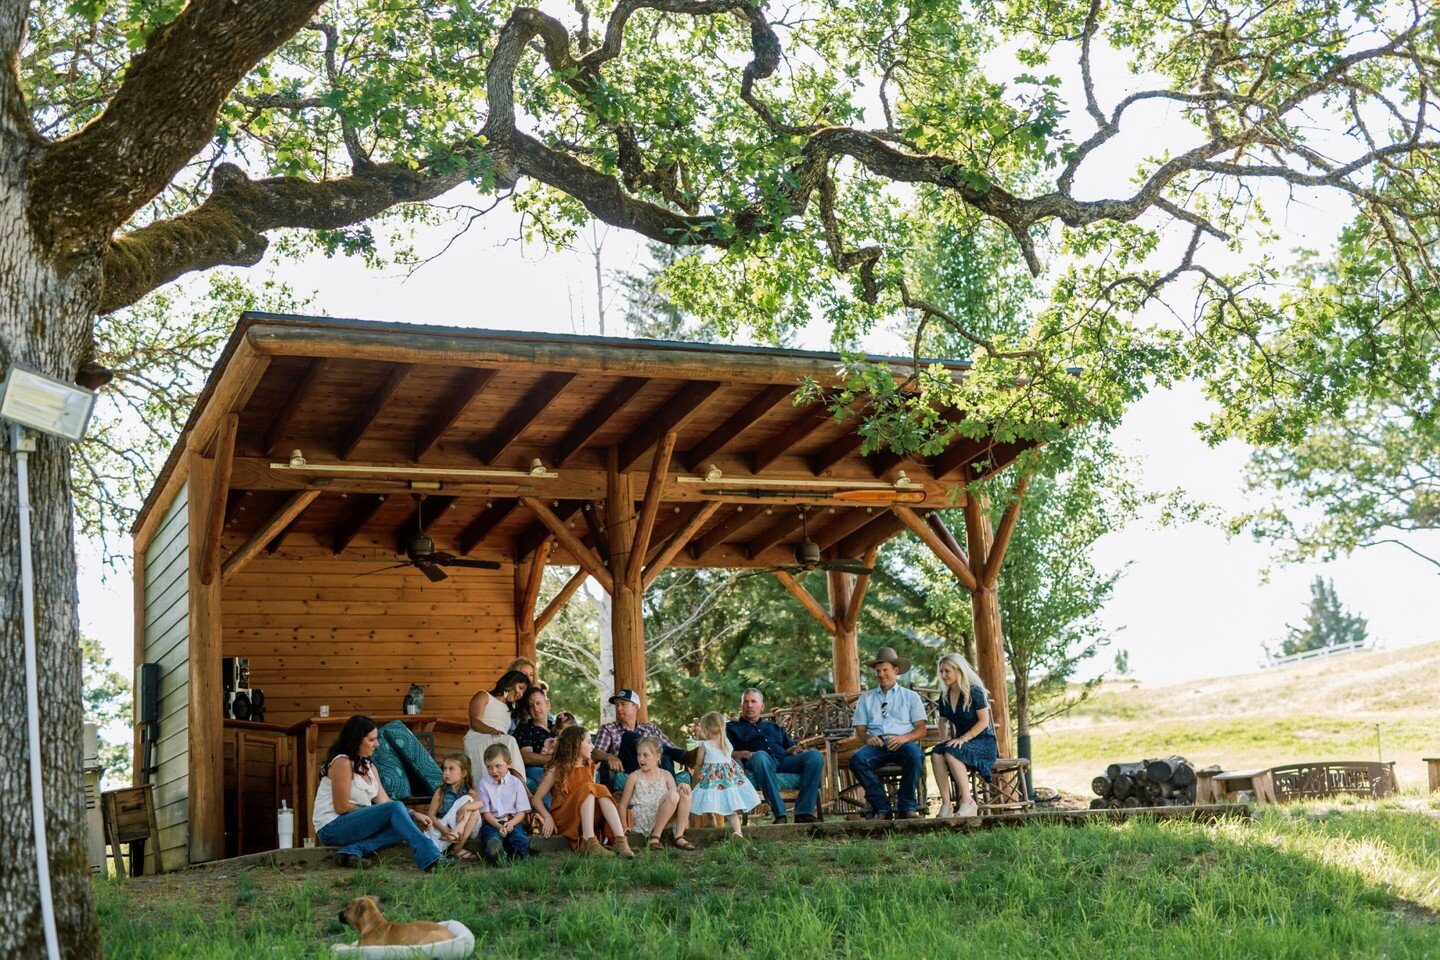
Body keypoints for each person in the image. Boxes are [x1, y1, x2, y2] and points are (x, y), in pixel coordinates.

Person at [312, 715, 441, 870]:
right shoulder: (342, 762)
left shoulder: (369, 767)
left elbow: (385, 802)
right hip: (331, 827)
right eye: (372, 740)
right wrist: (379, 815)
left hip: (355, 823)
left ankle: (352, 851)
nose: (377, 744)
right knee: (396, 812)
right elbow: (341, 806)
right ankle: (431, 857)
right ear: (357, 739)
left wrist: (414, 814)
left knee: (407, 822)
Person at [847, 647, 928, 820]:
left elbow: (921, 729)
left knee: (915, 755)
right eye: (878, 671)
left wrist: (904, 738)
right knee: (857, 760)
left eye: (885, 670)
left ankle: (907, 808)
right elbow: (859, 730)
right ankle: (883, 808)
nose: (881, 674)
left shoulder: (910, 697)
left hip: (903, 743)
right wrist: (869, 738)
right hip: (878, 745)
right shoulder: (866, 698)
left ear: (896, 671)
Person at [531, 726, 634, 858]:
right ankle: (589, 841)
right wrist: (547, 817)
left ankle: (620, 840)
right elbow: (536, 799)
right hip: (565, 818)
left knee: (600, 788)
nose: (593, 746)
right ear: (576, 745)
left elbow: (591, 800)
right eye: (589, 742)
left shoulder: (589, 766)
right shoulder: (556, 770)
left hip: (584, 820)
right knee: (589, 787)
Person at [726, 687, 825, 824]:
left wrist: (795, 749)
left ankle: (803, 813)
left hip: (783, 761)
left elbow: (790, 746)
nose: (749, 705)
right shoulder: (731, 728)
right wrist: (744, 753)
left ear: (762, 706)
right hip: (757, 762)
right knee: (761, 756)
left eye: (753, 701)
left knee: (815, 756)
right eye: (745, 702)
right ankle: (780, 814)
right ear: (741, 705)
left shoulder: (773, 727)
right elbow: (726, 753)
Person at [930, 652, 998, 819]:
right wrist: (943, 739)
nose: (943, 675)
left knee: (951, 752)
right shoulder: (945, 694)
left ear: (958, 670)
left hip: (982, 741)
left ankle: (968, 802)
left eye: (947, 671)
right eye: (941, 671)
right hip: (961, 742)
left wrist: (962, 739)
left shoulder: (974, 690)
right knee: (937, 752)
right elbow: (942, 720)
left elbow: (983, 721)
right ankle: (947, 805)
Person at [592, 689, 699, 792]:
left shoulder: (650, 728)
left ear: (636, 707)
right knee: (629, 736)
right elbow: (594, 753)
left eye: (623, 704)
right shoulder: (608, 728)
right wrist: (609, 756)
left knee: (664, 756)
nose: (618, 708)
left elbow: (670, 748)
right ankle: (683, 756)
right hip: (628, 767)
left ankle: (668, 793)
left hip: (654, 769)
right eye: (617, 705)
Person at [688, 711, 760, 840]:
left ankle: (711, 818)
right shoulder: (726, 742)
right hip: (728, 781)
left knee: (708, 798)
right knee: (730, 807)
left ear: (705, 729)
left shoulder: (705, 745)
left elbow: (699, 762)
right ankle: (737, 831)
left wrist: (700, 744)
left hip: (712, 780)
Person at [617, 737, 695, 850]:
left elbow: (676, 798)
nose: (641, 759)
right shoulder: (634, 776)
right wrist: (624, 826)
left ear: (657, 757)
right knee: (673, 795)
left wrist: (682, 786)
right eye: (638, 755)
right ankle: (655, 836)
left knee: (684, 793)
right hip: (645, 818)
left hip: (665, 815)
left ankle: (679, 836)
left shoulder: (666, 775)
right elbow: (623, 804)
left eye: (645, 755)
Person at [465, 670, 530, 785]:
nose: (520, 694)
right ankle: (523, 789)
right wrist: (492, 730)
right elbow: (474, 722)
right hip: (478, 737)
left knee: (506, 745)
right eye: (520, 688)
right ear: (511, 681)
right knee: (510, 740)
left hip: (497, 740)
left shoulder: (508, 710)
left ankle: (510, 787)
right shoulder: (484, 695)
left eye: (523, 692)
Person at [476, 744, 531, 864]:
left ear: (509, 763)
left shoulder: (516, 783)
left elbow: (521, 811)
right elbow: (485, 812)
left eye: (498, 766)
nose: (493, 771)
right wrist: (498, 826)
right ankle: (497, 854)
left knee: (519, 838)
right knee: (491, 837)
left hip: (513, 821)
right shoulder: (484, 783)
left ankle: (519, 853)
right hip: (492, 822)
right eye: (489, 767)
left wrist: (511, 823)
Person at [424, 752, 480, 860]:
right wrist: (443, 830)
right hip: (444, 827)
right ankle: (456, 849)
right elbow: (431, 815)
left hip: (462, 828)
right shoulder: (441, 790)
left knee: (472, 806)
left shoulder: (468, 790)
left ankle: (457, 847)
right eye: (445, 769)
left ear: (463, 773)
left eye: (451, 769)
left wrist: (465, 807)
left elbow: (481, 803)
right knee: (468, 801)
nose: (446, 773)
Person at [513, 686, 557, 794]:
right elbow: (527, 757)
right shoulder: (525, 728)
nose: (535, 708)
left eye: (538, 703)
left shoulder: (557, 729)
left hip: (558, 767)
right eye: (531, 706)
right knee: (550, 774)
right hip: (535, 769)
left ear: (547, 704)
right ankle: (547, 809)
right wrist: (555, 759)